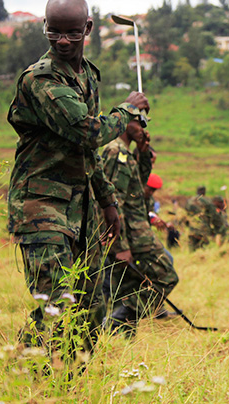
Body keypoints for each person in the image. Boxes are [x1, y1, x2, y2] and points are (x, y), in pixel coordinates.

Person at [7, 0, 149, 351]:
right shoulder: (41, 80)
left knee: (91, 306)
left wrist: (107, 202)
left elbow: (86, 152)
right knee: (55, 303)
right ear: (44, 27)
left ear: (88, 27)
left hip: (80, 208)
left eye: (72, 32)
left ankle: (73, 383)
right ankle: (24, 379)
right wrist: (128, 112)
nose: (64, 41)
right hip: (41, 205)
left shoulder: (86, 74)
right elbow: (88, 131)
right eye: (54, 32)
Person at [101, 120, 179, 335]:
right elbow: (115, 203)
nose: (144, 129)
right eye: (139, 123)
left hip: (135, 234)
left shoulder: (128, 156)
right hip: (130, 236)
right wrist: (120, 244)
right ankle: (116, 321)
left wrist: (143, 154)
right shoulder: (116, 153)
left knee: (126, 287)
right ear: (126, 123)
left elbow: (137, 188)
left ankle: (123, 337)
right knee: (166, 274)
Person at [184, 186, 223, 251]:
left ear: (197, 191)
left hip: (192, 229)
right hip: (203, 229)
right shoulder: (207, 201)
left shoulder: (189, 201)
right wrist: (217, 229)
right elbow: (214, 216)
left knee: (192, 249)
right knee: (203, 248)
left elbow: (185, 215)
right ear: (204, 192)